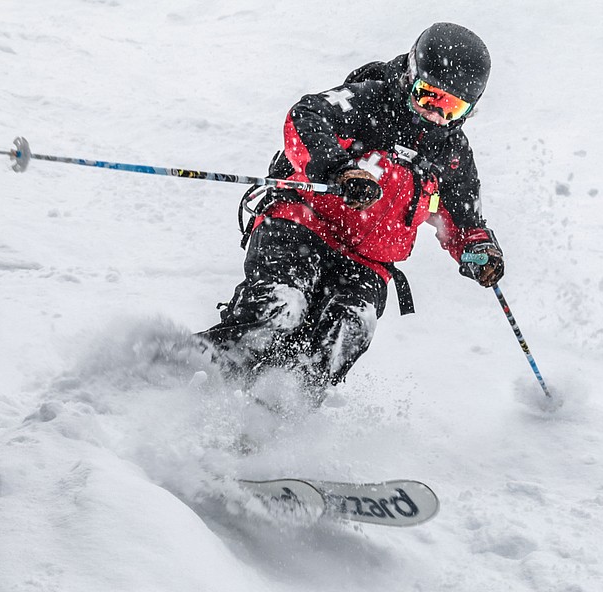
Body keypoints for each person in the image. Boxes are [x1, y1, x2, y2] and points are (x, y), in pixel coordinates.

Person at [200, 22, 504, 394]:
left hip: (366, 263)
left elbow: (463, 219)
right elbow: (306, 116)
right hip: (304, 224)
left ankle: (281, 408)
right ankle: (194, 370)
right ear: (411, 77)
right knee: (282, 307)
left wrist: (478, 248)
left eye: (452, 107)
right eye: (428, 97)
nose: (436, 115)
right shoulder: (371, 101)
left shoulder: (453, 155)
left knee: (350, 326)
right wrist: (339, 169)